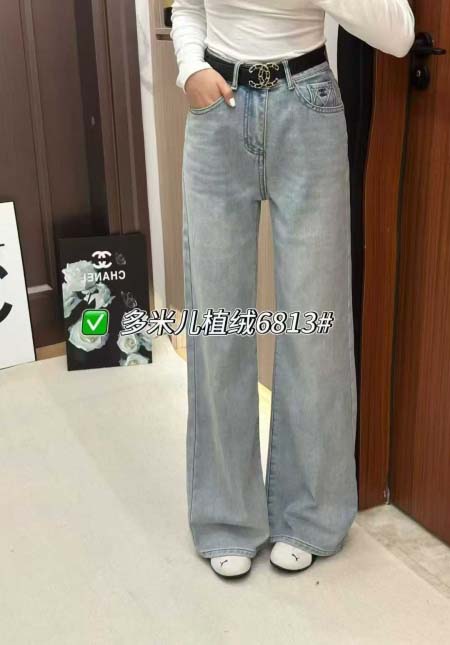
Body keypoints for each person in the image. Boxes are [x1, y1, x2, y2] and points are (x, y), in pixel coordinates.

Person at [170, 0, 415, 578]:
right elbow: (186, 7)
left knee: (315, 324)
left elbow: (399, 34)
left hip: (307, 103)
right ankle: (227, 518)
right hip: (217, 105)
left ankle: (309, 515)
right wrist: (189, 68)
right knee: (217, 323)